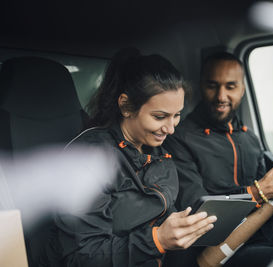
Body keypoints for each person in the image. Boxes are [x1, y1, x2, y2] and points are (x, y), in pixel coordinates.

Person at [45, 48, 217, 267]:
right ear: (126, 106)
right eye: (160, 116)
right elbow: (82, 256)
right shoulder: (87, 161)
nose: (171, 128)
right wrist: (158, 240)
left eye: (177, 115)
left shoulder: (159, 154)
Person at [163, 52, 273, 266]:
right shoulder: (179, 139)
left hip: (268, 229)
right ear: (200, 86)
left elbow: (271, 191)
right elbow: (198, 211)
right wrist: (259, 191)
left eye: (231, 86)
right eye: (212, 85)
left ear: (243, 88)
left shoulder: (249, 137)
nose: (221, 96)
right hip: (224, 247)